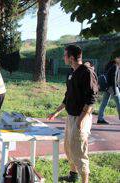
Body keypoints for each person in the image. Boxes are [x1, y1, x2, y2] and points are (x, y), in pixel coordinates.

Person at [48, 45, 98, 183]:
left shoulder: (86, 72)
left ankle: (84, 181)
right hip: (71, 117)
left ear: (71, 58)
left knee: (79, 151)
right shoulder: (72, 72)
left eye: (65, 55)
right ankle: (73, 175)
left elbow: (92, 99)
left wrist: (81, 120)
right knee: (69, 148)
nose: (63, 58)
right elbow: (68, 96)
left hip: (81, 117)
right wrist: (56, 112)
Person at [97, 55, 120, 124]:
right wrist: (115, 90)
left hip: (108, 87)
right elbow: (113, 78)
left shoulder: (110, 65)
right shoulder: (116, 66)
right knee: (119, 102)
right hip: (112, 87)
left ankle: (100, 119)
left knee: (104, 102)